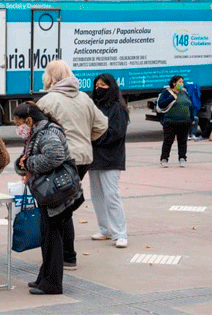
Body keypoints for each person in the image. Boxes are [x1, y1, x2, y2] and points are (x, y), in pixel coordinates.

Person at [36, 60, 108, 270]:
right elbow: (102, 124)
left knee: (58, 209)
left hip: (61, 159)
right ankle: (68, 254)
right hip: (84, 157)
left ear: (49, 76)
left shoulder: (48, 101)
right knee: (66, 206)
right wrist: (86, 138)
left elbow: (37, 132)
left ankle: (66, 255)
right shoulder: (84, 97)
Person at [13, 102, 75, 295]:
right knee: (47, 236)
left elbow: (55, 157)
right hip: (47, 192)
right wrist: (21, 163)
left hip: (56, 192)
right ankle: (44, 277)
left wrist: (29, 163)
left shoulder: (48, 132)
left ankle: (53, 283)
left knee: (52, 236)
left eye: (19, 123)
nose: (18, 128)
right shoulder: (37, 133)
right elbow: (27, 158)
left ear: (29, 120)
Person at [89, 74, 130, 248]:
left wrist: (94, 138)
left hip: (111, 157)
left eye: (103, 85)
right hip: (94, 157)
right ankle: (104, 228)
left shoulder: (117, 108)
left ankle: (120, 233)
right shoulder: (93, 106)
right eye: (97, 85)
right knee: (96, 195)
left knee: (111, 195)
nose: (99, 88)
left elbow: (116, 133)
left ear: (111, 87)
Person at [157, 75, 194, 168]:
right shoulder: (167, 92)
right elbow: (161, 104)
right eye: (180, 82)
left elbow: (190, 106)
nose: (182, 84)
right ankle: (164, 159)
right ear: (174, 83)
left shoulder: (184, 93)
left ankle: (182, 158)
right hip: (170, 122)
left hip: (184, 122)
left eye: (182, 82)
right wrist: (172, 98)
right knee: (168, 141)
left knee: (182, 141)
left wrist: (191, 119)